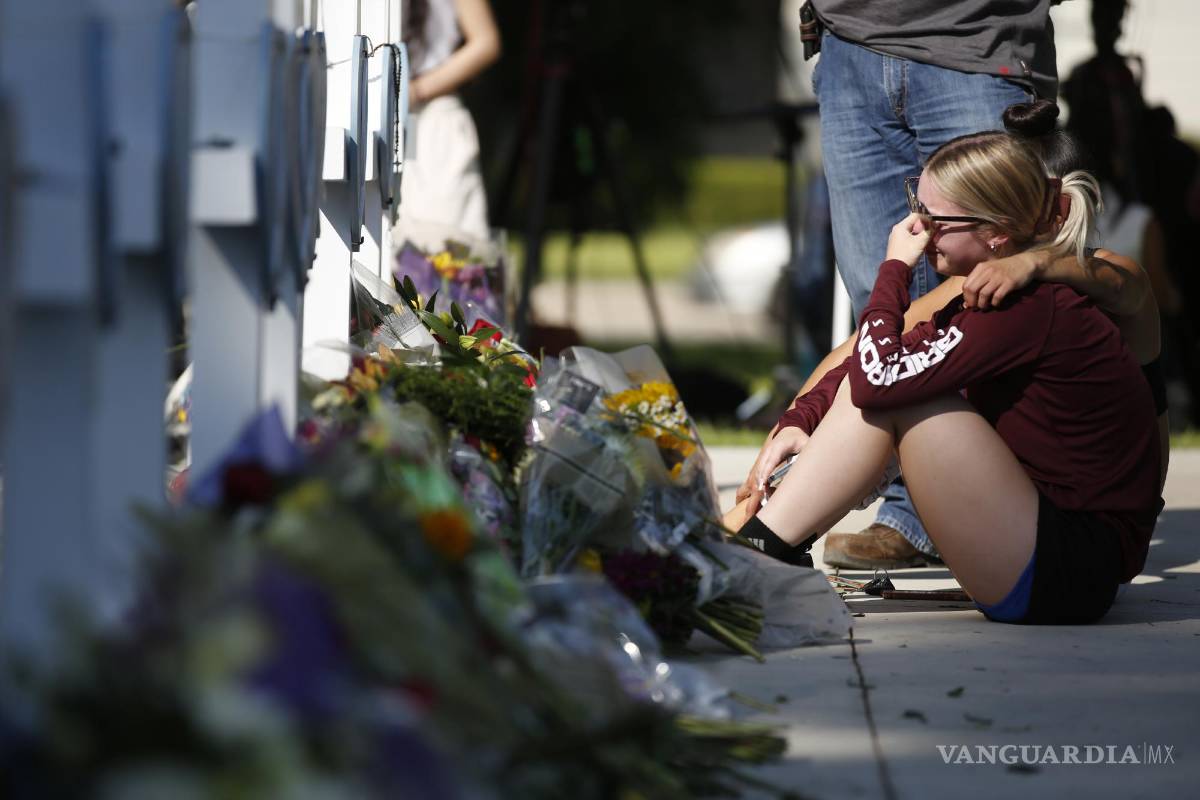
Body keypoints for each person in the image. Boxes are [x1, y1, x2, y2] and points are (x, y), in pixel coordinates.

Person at [729, 129, 1164, 624]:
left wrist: (894, 269)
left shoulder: (1024, 308)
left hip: (1066, 576)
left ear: (996, 232)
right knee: (895, 380)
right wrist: (799, 420)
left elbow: (877, 379)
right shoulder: (992, 297)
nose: (916, 227)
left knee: (903, 394)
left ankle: (750, 560)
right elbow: (871, 363)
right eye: (917, 205)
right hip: (1051, 561)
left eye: (934, 219)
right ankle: (761, 553)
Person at [794, 0, 1065, 569]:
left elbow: (1101, 275)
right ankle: (912, 510)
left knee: (991, 292)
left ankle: (1003, 512)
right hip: (850, 41)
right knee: (877, 302)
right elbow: (875, 345)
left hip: (976, 39)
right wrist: (798, 416)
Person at [396, 0, 500, 240]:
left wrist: (418, 90)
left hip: (433, 119)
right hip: (373, 121)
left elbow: (485, 41)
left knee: (442, 240)